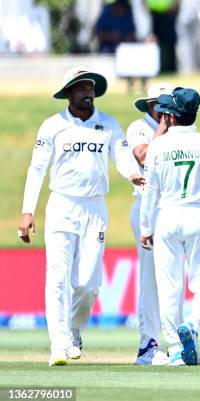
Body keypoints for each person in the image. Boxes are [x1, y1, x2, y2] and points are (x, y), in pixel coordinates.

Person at [18, 66, 144, 366]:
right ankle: (58, 345)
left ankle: (74, 328)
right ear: (68, 93)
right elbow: (36, 169)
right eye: (81, 88)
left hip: (94, 208)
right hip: (62, 204)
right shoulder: (52, 126)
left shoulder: (109, 124)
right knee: (58, 277)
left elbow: (122, 156)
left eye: (90, 88)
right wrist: (27, 211)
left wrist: (133, 175)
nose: (88, 92)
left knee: (88, 283)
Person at [140, 87, 200, 366]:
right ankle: (192, 325)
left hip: (166, 216)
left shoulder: (158, 145)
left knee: (169, 286)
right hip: (197, 216)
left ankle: (178, 350)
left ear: (170, 115)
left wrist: (145, 226)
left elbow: (150, 191)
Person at [126, 83, 173, 365]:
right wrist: (165, 127)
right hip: (146, 209)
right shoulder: (139, 127)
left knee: (173, 277)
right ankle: (148, 345)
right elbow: (143, 156)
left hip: (172, 208)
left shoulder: (176, 130)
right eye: (162, 104)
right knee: (151, 279)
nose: (168, 109)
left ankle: (179, 344)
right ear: (150, 106)